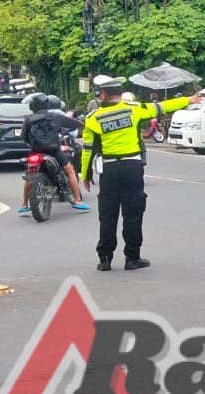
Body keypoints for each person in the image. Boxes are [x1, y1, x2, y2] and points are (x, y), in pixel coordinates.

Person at [80, 74, 197, 272]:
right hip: (132, 168)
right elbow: (162, 107)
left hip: (109, 170)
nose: (99, 96)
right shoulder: (134, 110)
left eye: (100, 92)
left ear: (106, 94)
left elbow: (87, 150)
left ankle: (105, 260)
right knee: (133, 213)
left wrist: (86, 174)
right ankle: (132, 258)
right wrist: (188, 100)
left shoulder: (93, 118)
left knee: (107, 215)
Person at [19, 94, 90, 215]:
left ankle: (25, 204)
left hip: (35, 152)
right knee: (70, 171)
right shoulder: (55, 116)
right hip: (54, 151)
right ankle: (78, 200)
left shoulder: (29, 119)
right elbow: (76, 123)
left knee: (29, 176)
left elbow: (24, 137)